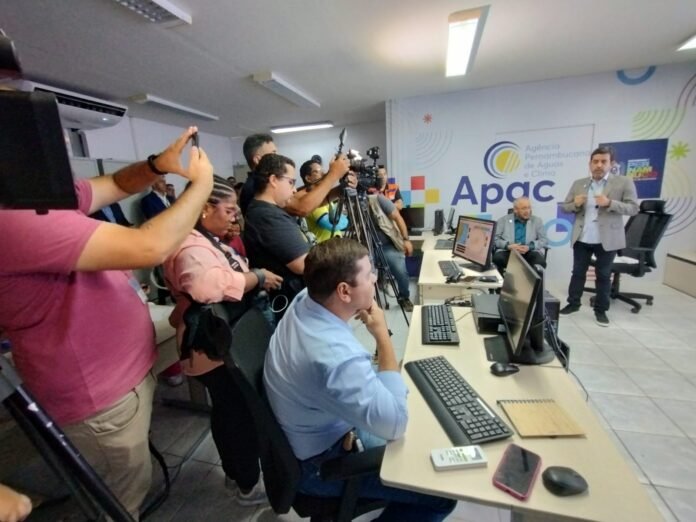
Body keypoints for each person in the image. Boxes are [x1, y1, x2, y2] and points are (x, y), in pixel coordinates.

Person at [0, 127, 213, 519]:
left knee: (128, 479)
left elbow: (115, 183)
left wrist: (154, 166)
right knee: (118, 498)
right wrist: (201, 187)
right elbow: (150, 247)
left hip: (122, 374)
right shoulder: (12, 219)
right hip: (99, 394)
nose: (65, 141)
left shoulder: (41, 197)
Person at [264, 238, 456, 521]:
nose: (375, 279)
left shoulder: (305, 298)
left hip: (308, 433)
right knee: (440, 494)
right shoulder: (336, 358)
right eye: (368, 275)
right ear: (343, 291)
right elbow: (395, 425)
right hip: (320, 467)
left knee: (418, 427)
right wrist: (382, 336)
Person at [163, 176, 282, 506]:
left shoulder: (204, 239)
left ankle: (236, 473)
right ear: (204, 209)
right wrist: (256, 277)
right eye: (229, 210)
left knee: (229, 412)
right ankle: (246, 483)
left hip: (219, 343)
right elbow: (205, 286)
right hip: (212, 347)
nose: (234, 217)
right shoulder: (190, 246)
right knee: (239, 416)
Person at [560, 146, 638, 326]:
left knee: (603, 275)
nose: (599, 165)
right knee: (577, 273)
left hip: (607, 239)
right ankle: (573, 304)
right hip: (582, 237)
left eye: (603, 161)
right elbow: (565, 207)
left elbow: (633, 208)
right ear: (590, 164)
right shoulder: (579, 183)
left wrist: (610, 203)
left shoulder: (623, 182)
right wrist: (575, 204)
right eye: (595, 161)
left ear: (611, 164)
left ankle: (601, 311)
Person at [243, 154, 311, 321]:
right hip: (286, 302)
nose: (294, 190)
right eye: (291, 182)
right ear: (273, 180)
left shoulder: (269, 211)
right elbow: (303, 264)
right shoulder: (267, 216)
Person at [367, 191, 414, 312]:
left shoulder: (378, 200)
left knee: (400, 271)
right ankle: (368, 302)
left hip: (387, 246)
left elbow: (398, 218)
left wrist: (406, 240)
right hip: (366, 248)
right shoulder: (350, 205)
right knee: (362, 274)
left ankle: (404, 297)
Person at [492, 197, 548, 274]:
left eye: (529, 208)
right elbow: (495, 239)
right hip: (508, 251)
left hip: (529, 251)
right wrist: (508, 246)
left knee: (539, 263)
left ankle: (534, 282)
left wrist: (529, 247)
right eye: (524, 208)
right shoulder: (503, 220)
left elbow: (544, 240)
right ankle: (504, 281)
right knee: (498, 259)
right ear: (515, 210)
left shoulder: (537, 221)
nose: (527, 211)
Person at [299, 159, 348, 243]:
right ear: (308, 178)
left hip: (335, 243)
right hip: (324, 247)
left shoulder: (322, 196)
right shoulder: (311, 200)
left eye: (323, 171)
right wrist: (346, 218)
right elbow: (333, 225)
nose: (324, 174)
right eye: (318, 172)